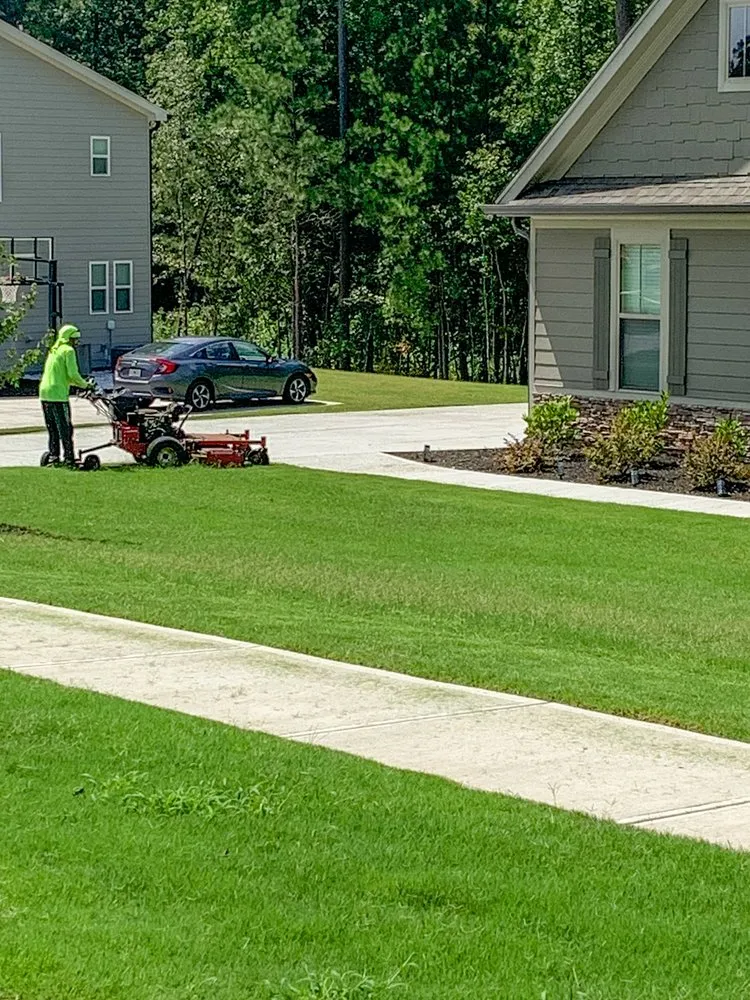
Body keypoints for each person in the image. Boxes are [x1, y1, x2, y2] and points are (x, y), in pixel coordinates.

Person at [39, 324, 95, 468]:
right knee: (65, 428)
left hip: (44, 393)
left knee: (52, 429)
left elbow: (64, 376)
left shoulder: (54, 350)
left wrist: (77, 383)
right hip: (58, 394)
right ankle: (69, 459)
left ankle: (53, 457)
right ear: (69, 339)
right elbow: (73, 374)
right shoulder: (68, 351)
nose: (76, 342)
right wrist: (86, 385)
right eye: (75, 339)